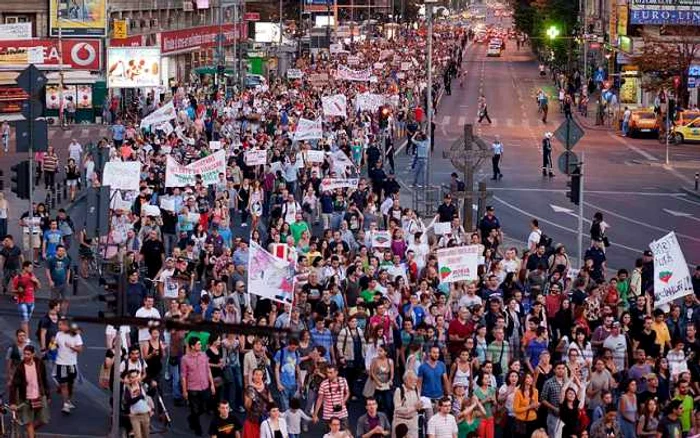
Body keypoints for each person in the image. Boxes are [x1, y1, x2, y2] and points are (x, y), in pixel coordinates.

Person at [9, 345, 50, 438]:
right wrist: (12, 402)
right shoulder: (20, 367)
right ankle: (30, 433)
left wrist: (48, 395)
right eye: (24, 354)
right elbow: (13, 385)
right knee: (28, 422)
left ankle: (31, 431)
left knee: (44, 420)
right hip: (26, 399)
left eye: (28, 354)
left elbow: (44, 379)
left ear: (33, 354)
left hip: (39, 396)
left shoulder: (39, 363)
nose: (26, 356)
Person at [181, 336, 215, 436]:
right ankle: (197, 428)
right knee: (195, 410)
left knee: (203, 409)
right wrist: (184, 391)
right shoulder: (185, 359)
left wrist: (212, 384)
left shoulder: (204, 355)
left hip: (205, 386)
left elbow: (208, 370)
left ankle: (191, 418)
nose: (201, 345)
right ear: (192, 346)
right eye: (199, 344)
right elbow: (183, 376)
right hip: (192, 388)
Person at [54, 318, 83, 414]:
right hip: (60, 363)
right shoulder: (58, 334)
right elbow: (54, 346)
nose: (59, 327)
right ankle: (65, 404)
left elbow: (80, 349)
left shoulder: (75, 336)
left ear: (66, 326)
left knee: (70, 383)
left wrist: (71, 347)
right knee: (63, 384)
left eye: (60, 325)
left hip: (71, 364)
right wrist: (52, 344)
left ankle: (68, 399)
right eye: (59, 325)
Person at [122, 368, 152, 438]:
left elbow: (148, 395)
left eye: (136, 376)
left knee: (146, 435)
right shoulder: (127, 388)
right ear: (129, 379)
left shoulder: (141, 385)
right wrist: (139, 396)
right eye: (132, 377)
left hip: (145, 414)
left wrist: (151, 409)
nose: (135, 379)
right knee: (138, 436)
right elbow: (128, 401)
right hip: (135, 416)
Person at [11, 261, 39, 334]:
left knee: (26, 321)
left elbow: (39, 287)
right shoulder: (17, 278)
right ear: (25, 267)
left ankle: (21, 334)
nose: (31, 269)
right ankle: (26, 338)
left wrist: (36, 281)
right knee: (25, 321)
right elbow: (12, 290)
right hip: (22, 301)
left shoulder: (32, 276)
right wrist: (18, 290)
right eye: (30, 267)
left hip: (31, 301)